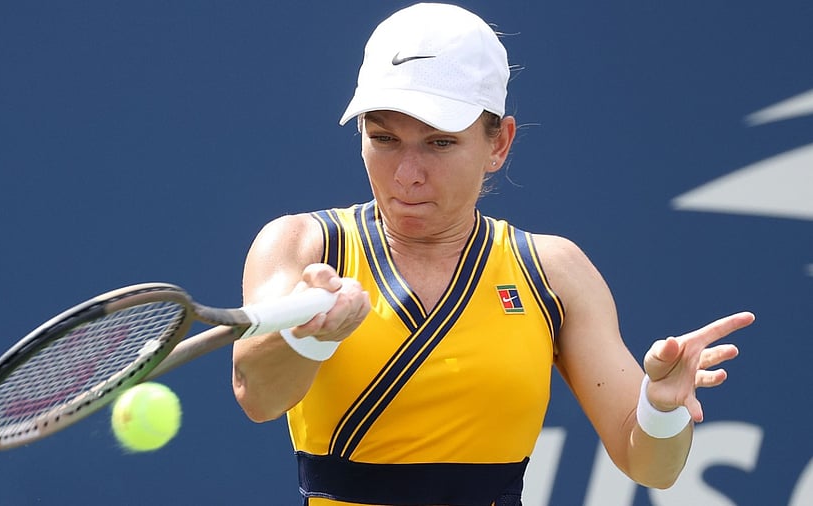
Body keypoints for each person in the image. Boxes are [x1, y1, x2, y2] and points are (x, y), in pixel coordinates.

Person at [231, 3, 755, 505]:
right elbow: (257, 395)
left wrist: (661, 410)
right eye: (383, 138)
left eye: (439, 143)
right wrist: (307, 337)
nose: (407, 174)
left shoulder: (554, 271)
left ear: (499, 144)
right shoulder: (302, 246)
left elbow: (650, 467)